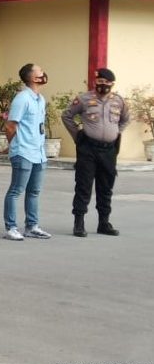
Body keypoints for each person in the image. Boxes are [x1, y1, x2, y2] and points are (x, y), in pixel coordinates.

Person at [62, 68, 129, 237]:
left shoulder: (119, 101)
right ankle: (79, 223)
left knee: (106, 187)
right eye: (100, 82)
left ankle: (104, 223)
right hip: (88, 149)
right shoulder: (84, 99)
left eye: (106, 83)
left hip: (109, 150)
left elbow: (126, 119)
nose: (103, 85)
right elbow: (67, 116)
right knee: (83, 185)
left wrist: (116, 132)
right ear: (95, 82)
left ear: (112, 84)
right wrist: (78, 135)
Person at [2, 63, 51, 241]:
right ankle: (11, 227)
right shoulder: (22, 98)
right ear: (31, 77)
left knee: (34, 191)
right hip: (23, 151)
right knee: (16, 190)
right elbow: (10, 125)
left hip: (38, 152)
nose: (43, 73)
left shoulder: (40, 99)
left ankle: (32, 226)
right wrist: (14, 146)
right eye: (40, 71)